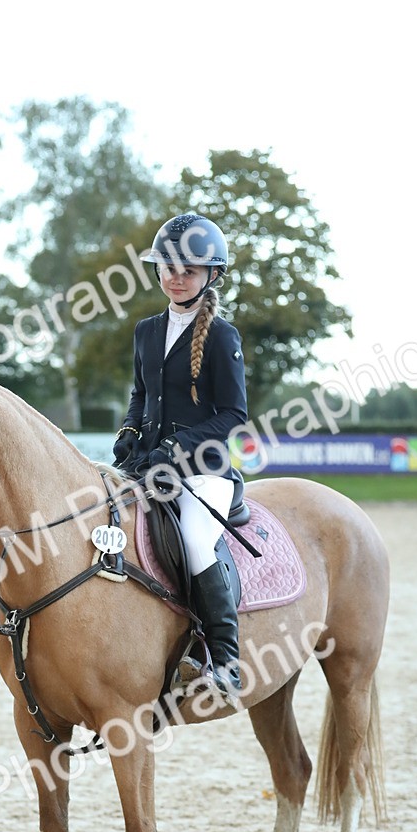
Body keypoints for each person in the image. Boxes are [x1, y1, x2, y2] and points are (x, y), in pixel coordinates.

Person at [112, 212, 248, 705]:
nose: (174, 276)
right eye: (167, 267)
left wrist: (179, 445)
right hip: (146, 465)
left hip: (204, 473)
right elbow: (140, 394)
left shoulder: (222, 336)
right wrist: (129, 432)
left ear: (209, 275)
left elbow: (234, 414)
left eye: (187, 270)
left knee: (193, 540)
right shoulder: (147, 331)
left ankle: (227, 661)